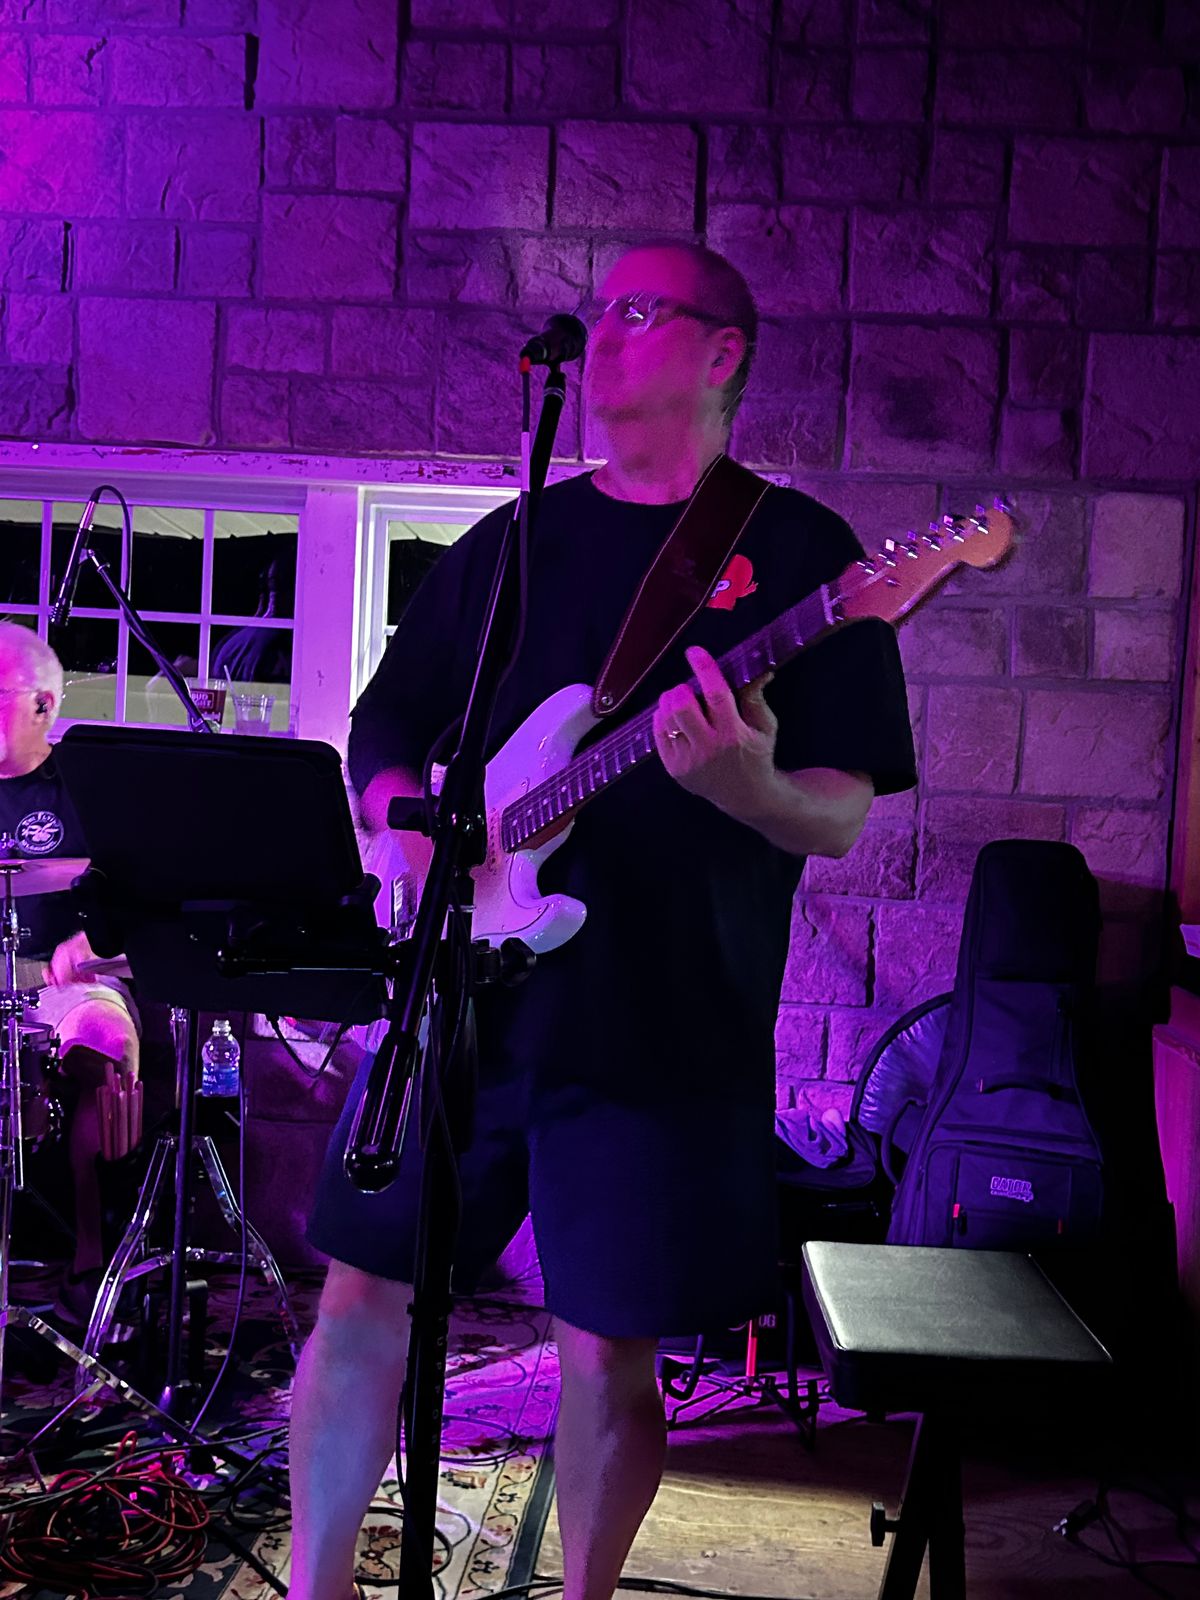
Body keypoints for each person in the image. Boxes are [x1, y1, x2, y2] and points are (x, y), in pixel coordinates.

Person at [288, 243, 917, 1600]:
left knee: (605, 1348)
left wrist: (745, 785)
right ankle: (315, 1584)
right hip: (458, 995)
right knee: (359, 1292)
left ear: (723, 353)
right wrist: (407, 824)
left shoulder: (804, 557)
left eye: (639, 311)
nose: (605, 335)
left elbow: (838, 814)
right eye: (602, 313)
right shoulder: (514, 541)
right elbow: (385, 726)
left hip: (662, 1016)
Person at [0, 621, 140, 1327]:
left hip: (69, 983)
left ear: (43, 705)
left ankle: (95, 1259)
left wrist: (92, 941)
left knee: (106, 1045)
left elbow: (142, 894)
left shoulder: (88, 790)